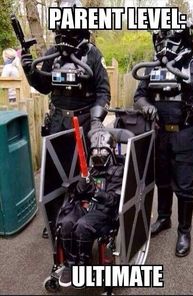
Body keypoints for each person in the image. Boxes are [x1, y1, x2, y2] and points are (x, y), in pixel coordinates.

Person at [134, 23, 193, 257]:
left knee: (184, 184)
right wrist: (146, 107)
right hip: (159, 133)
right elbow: (140, 95)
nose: (164, 42)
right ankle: (164, 218)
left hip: (185, 133)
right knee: (162, 179)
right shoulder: (154, 66)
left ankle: (185, 230)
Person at [21, 18, 110, 239]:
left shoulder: (93, 54)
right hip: (58, 122)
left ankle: (80, 217)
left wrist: (97, 121)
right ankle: (54, 220)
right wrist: (29, 69)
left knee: (82, 174)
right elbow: (44, 86)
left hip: (83, 123)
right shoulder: (53, 53)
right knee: (53, 174)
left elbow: (103, 92)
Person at [56, 130, 124, 287]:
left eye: (103, 150)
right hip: (85, 206)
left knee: (82, 226)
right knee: (66, 222)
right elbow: (79, 193)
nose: (98, 154)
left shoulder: (118, 171)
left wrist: (97, 192)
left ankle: (83, 265)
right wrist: (83, 182)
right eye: (95, 150)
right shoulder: (90, 169)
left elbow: (114, 199)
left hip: (103, 211)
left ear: (111, 150)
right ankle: (70, 264)